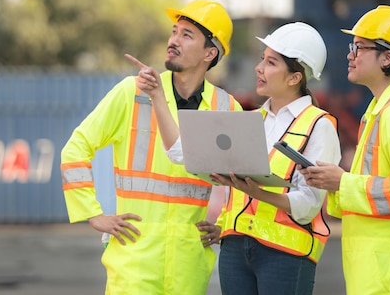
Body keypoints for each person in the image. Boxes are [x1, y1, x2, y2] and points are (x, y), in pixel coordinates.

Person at [136, 22, 342, 295]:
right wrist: (158, 97)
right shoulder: (251, 121)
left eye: (271, 63)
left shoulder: (320, 126)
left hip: (285, 255)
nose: (259, 68)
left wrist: (256, 192)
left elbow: (308, 206)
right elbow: (181, 154)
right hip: (234, 250)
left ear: (295, 78)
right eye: (262, 59)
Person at [60, 0, 243, 295]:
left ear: (210, 52)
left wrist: (225, 224)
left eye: (186, 35)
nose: (173, 41)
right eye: (174, 31)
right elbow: (75, 149)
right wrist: (94, 214)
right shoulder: (132, 92)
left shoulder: (225, 107)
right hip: (134, 263)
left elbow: (241, 176)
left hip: (188, 266)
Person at [301, 5, 390, 294]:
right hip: (379, 270)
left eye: (359, 47)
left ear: (388, 57)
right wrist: (331, 181)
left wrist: (342, 181)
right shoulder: (379, 110)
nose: (350, 54)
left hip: (389, 274)